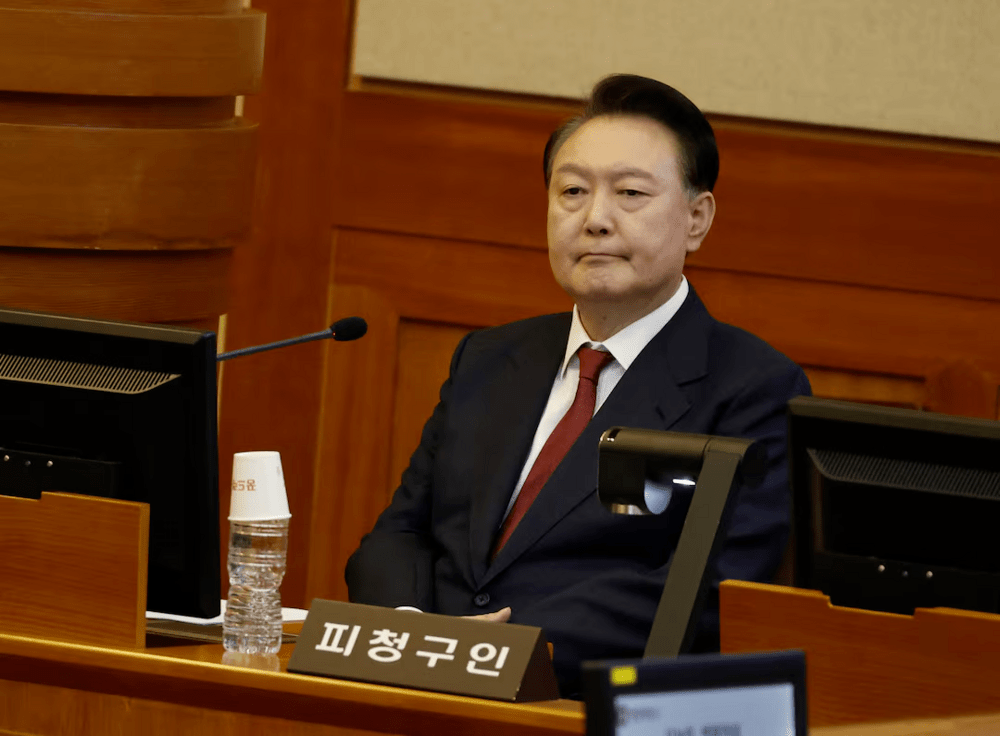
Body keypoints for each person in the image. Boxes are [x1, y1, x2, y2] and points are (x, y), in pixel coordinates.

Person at [346, 73, 811, 696]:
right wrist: (411, 629)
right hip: (420, 688)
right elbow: (402, 533)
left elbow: (706, 591)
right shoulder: (489, 358)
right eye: (572, 191)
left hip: (578, 700)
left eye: (630, 194)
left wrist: (499, 649)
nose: (595, 219)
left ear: (697, 219)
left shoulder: (754, 387)